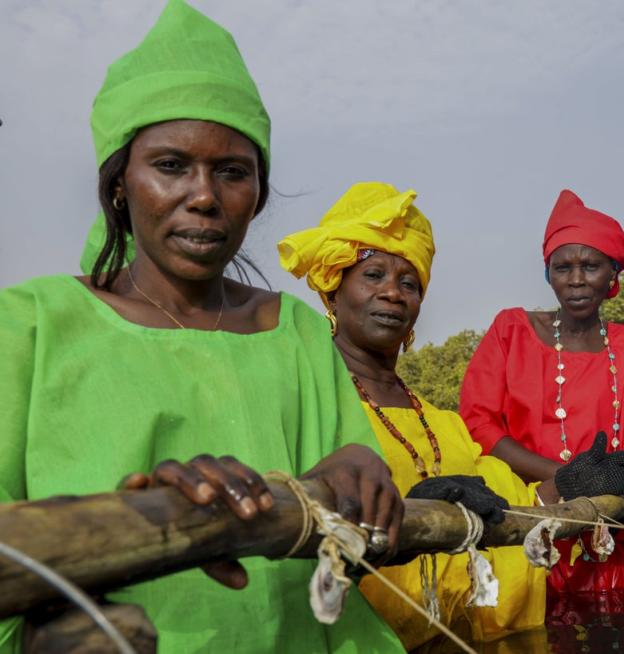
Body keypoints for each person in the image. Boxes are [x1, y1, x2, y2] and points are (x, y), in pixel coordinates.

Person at [0, 2, 404, 652]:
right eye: (170, 165)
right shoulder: (29, 325)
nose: (204, 196)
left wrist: (356, 469)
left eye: (232, 172)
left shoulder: (296, 329)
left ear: (258, 195)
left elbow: (350, 487)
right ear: (118, 187)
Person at [278, 182, 624, 650]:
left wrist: (567, 485)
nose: (393, 294)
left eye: (409, 283)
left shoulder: (440, 423)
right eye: (373, 276)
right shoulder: (304, 397)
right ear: (333, 291)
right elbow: (287, 509)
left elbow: (510, 507)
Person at [459, 189, 624, 604]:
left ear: (613, 276)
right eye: (562, 267)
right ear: (548, 274)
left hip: (618, 537)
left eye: (591, 266)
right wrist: (565, 479)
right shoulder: (510, 330)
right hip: (529, 525)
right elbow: (479, 424)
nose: (577, 279)